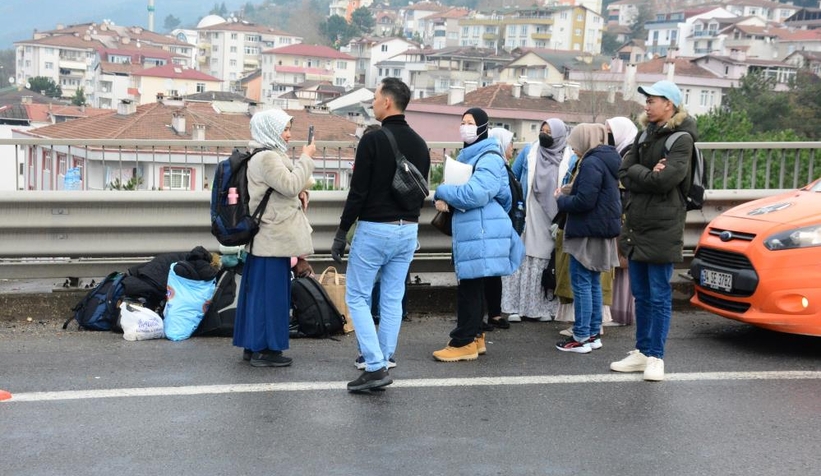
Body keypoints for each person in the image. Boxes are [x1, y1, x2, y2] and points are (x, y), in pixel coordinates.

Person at [331, 77, 430, 392]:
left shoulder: (372, 141)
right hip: (408, 229)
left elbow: (357, 193)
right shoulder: (420, 143)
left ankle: (373, 366)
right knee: (391, 296)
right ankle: (383, 358)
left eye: (375, 97)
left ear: (388, 102)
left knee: (357, 296)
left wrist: (341, 232)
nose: (372, 103)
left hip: (375, 229)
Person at [611, 80, 697, 382]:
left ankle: (656, 357)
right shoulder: (644, 134)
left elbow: (667, 181)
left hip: (663, 226)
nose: (646, 105)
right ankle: (642, 351)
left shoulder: (682, 139)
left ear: (669, 105)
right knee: (642, 294)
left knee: (659, 295)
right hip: (637, 224)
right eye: (646, 100)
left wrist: (642, 176)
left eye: (652, 100)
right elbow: (623, 171)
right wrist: (648, 173)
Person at [432, 107, 525, 362]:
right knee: (472, 285)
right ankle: (475, 336)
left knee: (470, 287)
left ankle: (463, 342)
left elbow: (476, 193)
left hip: (480, 230)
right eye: (462, 122)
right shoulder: (472, 155)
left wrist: (442, 191)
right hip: (476, 229)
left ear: (483, 127)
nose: (465, 127)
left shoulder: (489, 157)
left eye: (470, 122)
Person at [233, 108, 316, 367]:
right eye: (285, 129)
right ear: (270, 130)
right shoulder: (267, 157)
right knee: (271, 298)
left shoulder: (263, 155)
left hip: (268, 239)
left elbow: (286, 187)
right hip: (272, 239)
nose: (289, 134)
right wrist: (306, 158)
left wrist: (299, 189)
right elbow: (290, 185)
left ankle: (253, 345)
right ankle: (265, 350)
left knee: (259, 295)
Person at [554, 124, 622, 353]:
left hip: (586, 231)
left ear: (585, 140)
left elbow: (585, 201)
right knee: (592, 283)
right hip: (600, 230)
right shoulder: (607, 160)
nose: (573, 150)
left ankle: (581, 335)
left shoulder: (591, 162)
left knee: (582, 283)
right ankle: (592, 334)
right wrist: (568, 191)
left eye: (575, 145)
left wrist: (561, 201)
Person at [502, 119, 568, 323]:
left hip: (552, 216)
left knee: (544, 259)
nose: (544, 135)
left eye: (549, 132)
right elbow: (514, 174)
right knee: (522, 255)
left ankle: (541, 308)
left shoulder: (569, 156)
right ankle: (515, 306)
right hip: (528, 211)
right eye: (542, 130)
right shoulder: (530, 151)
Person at [605, 116, 639, 327]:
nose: (607, 134)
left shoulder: (629, 154)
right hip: (623, 214)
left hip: (625, 215)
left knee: (622, 264)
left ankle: (621, 312)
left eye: (610, 130)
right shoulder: (623, 151)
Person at [483, 127, 516, 330]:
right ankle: (482, 316)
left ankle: (494, 313)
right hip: (491, 226)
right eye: (510, 143)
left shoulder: (505, 165)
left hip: (501, 225)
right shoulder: (493, 165)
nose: (512, 147)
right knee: (485, 273)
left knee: (495, 272)